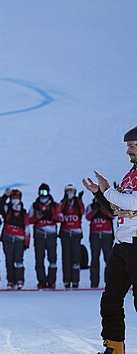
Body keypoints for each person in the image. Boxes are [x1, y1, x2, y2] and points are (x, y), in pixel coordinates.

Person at [83, 126, 137, 354]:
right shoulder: (129, 176)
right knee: (110, 300)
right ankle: (114, 348)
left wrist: (107, 190)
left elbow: (134, 204)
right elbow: (117, 209)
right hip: (122, 245)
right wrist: (99, 193)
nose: (128, 152)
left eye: (132, 146)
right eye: (128, 147)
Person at [28, 183, 62, 289]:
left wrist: (51, 216)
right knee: (39, 259)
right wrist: (37, 218)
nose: (43, 194)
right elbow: (28, 219)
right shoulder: (34, 205)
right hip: (39, 235)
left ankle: (52, 281)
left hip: (51, 235)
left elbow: (61, 217)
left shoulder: (54, 205)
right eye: (41, 192)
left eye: (45, 192)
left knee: (52, 259)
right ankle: (41, 281)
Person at [0, 189, 30, 289]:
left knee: (19, 261)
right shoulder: (8, 209)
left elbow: (27, 227)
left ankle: (20, 280)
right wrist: (5, 196)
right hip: (8, 238)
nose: (15, 200)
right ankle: (10, 281)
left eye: (16, 198)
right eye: (13, 198)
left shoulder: (23, 212)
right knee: (9, 260)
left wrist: (26, 242)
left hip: (19, 239)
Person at [59, 184, 85, 288]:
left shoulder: (77, 203)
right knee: (66, 257)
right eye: (68, 191)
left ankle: (75, 280)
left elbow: (82, 212)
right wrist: (65, 201)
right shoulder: (63, 203)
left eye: (72, 191)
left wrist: (79, 201)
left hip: (76, 233)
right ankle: (66, 280)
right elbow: (59, 212)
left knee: (76, 258)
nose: (70, 193)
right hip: (65, 233)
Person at [86, 197, 115, 289]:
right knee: (94, 259)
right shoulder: (91, 206)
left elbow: (113, 215)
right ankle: (94, 282)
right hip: (95, 235)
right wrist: (95, 209)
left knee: (108, 260)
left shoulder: (108, 205)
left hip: (107, 235)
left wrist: (103, 208)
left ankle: (110, 281)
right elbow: (88, 216)